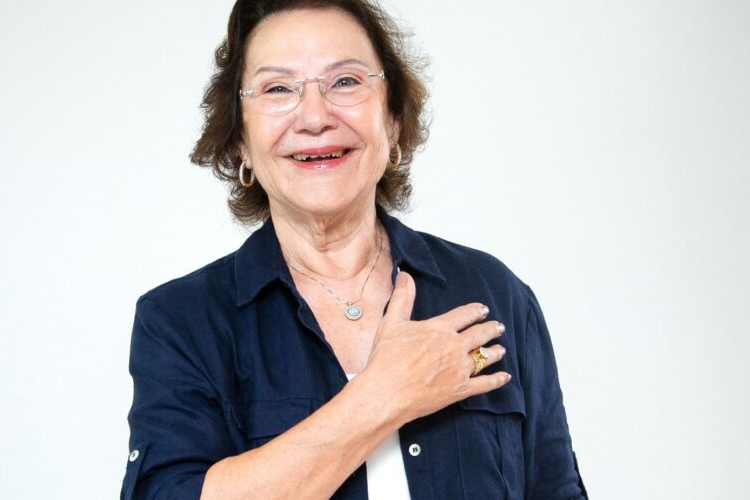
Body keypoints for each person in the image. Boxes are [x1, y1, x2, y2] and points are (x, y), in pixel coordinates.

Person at [121, 1, 587, 499]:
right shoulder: (180, 321)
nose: (315, 117)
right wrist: (381, 396)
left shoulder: (493, 292)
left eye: (345, 81)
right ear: (240, 140)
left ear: (393, 120)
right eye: (278, 89)